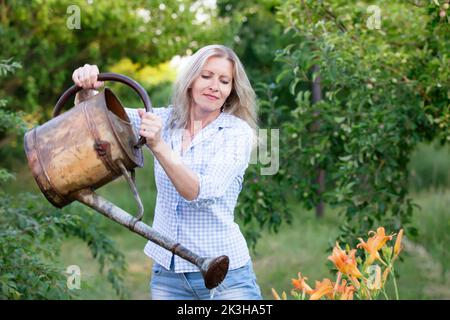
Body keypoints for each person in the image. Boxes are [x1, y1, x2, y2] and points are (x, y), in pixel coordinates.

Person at [71, 44, 262, 300]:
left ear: (231, 91)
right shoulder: (162, 119)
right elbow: (99, 124)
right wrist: (87, 89)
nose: (215, 86)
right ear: (190, 80)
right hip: (168, 277)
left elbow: (199, 191)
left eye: (225, 81)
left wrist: (158, 145)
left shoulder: (236, 134)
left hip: (225, 278)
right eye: (206, 76)